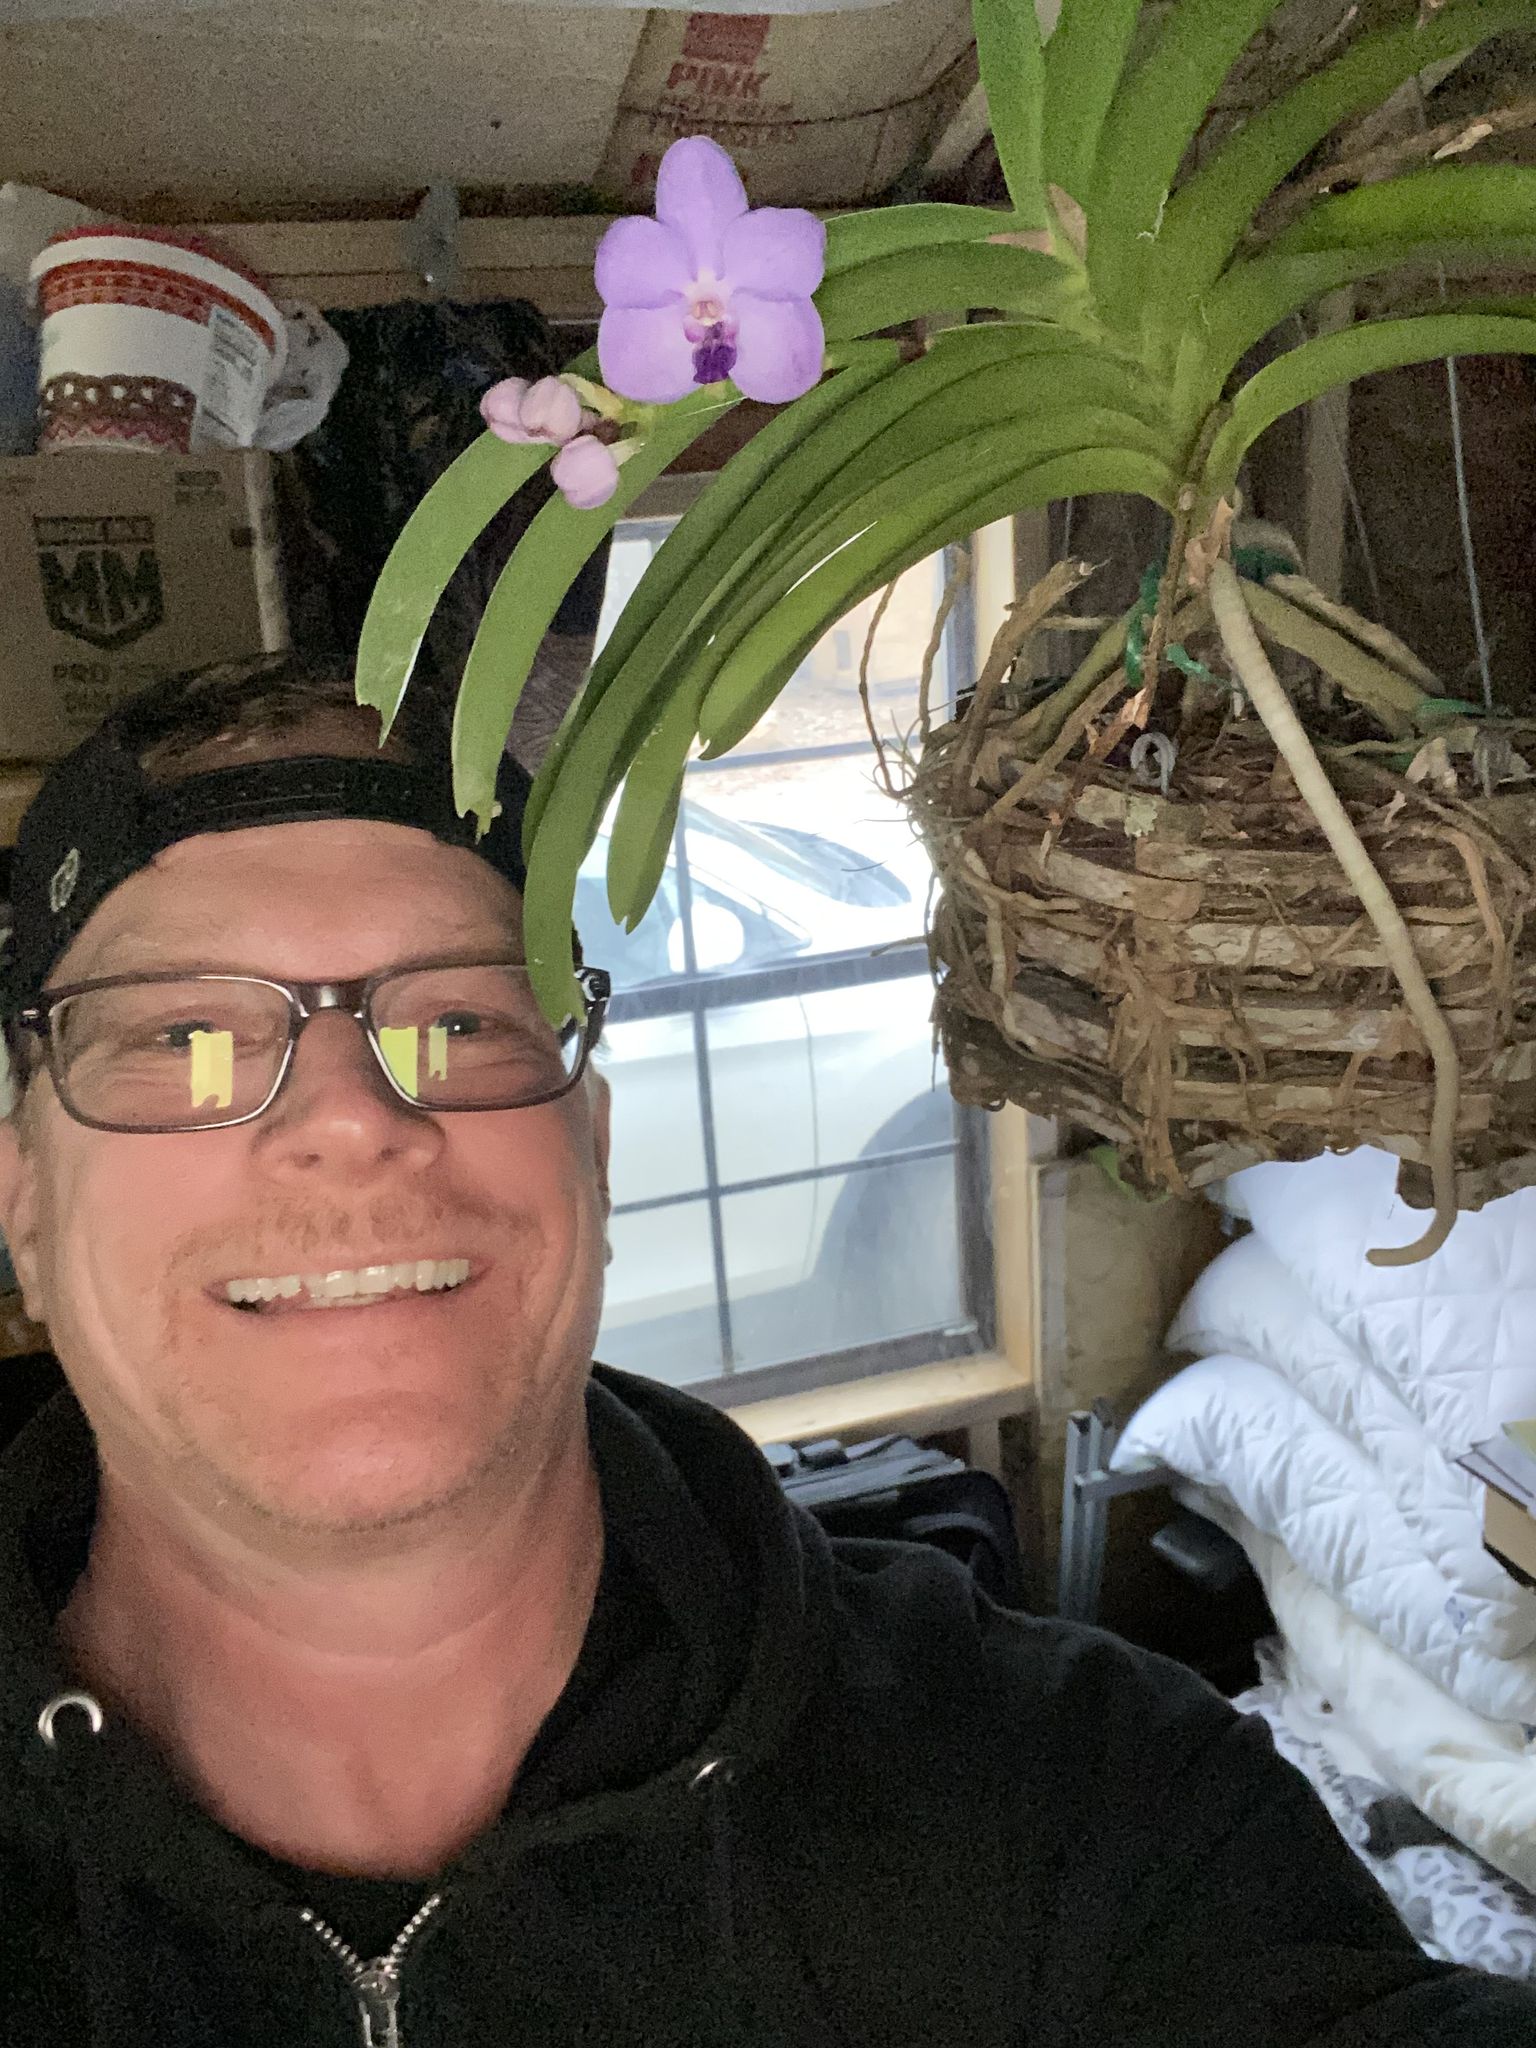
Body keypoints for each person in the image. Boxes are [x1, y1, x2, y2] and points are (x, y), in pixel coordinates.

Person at [0, 655, 1531, 2048]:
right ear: (23, 1202)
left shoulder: (1075, 1794)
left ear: (593, 1156)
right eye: (182, 1039)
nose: (351, 1118)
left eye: (459, 1022)